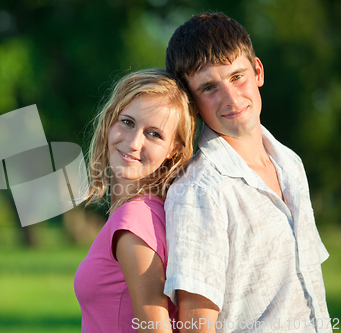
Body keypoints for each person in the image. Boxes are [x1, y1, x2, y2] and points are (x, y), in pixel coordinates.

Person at [163, 12, 332, 332]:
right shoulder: (199, 191)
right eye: (209, 87)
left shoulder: (291, 164)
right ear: (192, 102)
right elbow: (195, 325)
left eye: (237, 76)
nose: (231, 98)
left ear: (257, 71)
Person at [74, 68, 196, 332]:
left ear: (173, 150)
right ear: (109, 121)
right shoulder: (149, 212)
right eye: (127, 122)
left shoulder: (134, 221)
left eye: (154, 134)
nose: (133, 143)